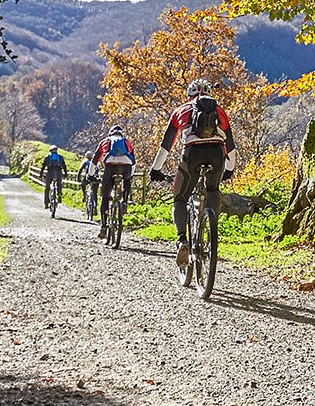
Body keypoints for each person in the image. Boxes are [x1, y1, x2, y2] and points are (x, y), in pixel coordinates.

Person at [150, 80, 238, 268]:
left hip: (192, 155)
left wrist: (155, 169)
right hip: (216, 154)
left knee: (180, 198)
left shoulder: (180, 111)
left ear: (189, 95)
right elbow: (231, 148)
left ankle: (182, 241)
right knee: (213, 189)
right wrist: (229, 169)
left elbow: (165, 147)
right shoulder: (220, 111)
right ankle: (211, 229)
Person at [93, 126, 136, 237]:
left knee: (105, 197)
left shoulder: (106, 142)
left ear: (110, 133)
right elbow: (134, 163)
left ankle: (103, 226)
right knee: (127, 180)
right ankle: (125, 200)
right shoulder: (127, 142)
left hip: (110, 167)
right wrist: (130, 176)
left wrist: (91, 175)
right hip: (125, 167)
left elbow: (95, 161)